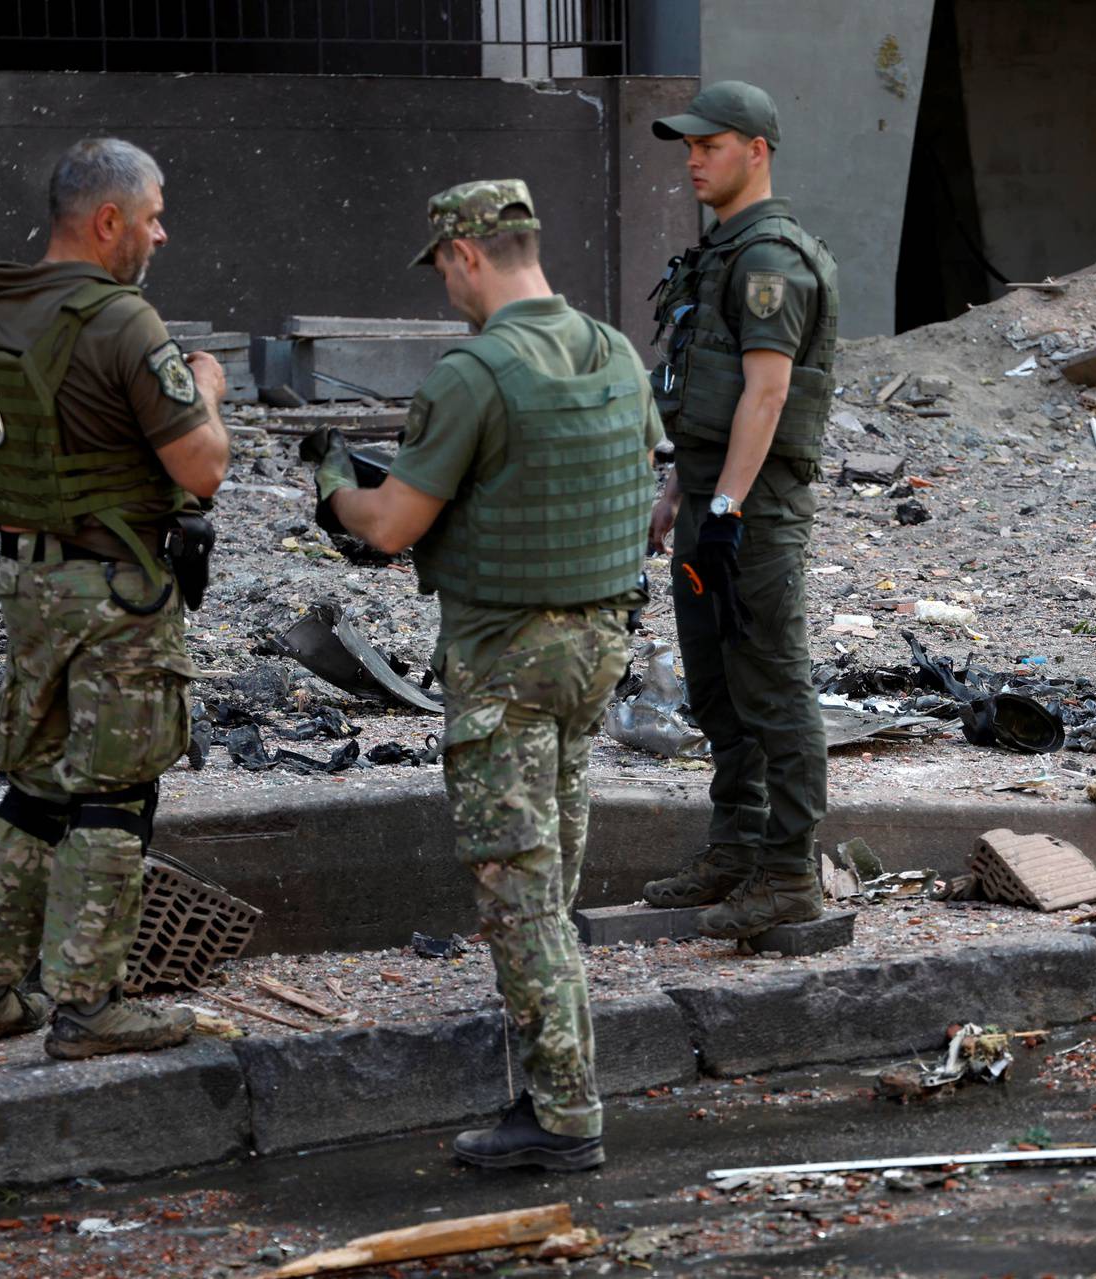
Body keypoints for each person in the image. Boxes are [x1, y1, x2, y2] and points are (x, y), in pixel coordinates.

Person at [306, 179, 654, 1171]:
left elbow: (393, 528)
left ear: (464, 254)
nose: (444, 287)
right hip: (596, 648)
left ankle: (563, 1114)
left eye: (442, 269)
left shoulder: (475, 373)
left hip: (507, 658)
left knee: (521, 893)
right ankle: (546, 1074)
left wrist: (334, 483)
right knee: (555, 874)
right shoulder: (615, 351)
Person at [0, 138, 229, 1060]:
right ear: (108, 221)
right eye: (151, 216)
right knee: (115, 793)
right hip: (116, 589)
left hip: (28, 583)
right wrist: (210, 390)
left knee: (33, 783)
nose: (161, 233)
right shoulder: (122, 321)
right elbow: (203, 466)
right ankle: (89, 1005)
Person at [639, 81, 840, 939]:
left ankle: (790, 871)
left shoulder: (770, 260)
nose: (692, 160)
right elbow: (713, 394)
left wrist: (723, 508)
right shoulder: (724, 251)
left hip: (752, 511)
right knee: (717, 681)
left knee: (772, 684)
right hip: (712, 499)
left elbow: (766, 393)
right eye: (687, 146)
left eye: (709, 145)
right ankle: (736, 849)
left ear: (755, 151)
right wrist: (682, 488)